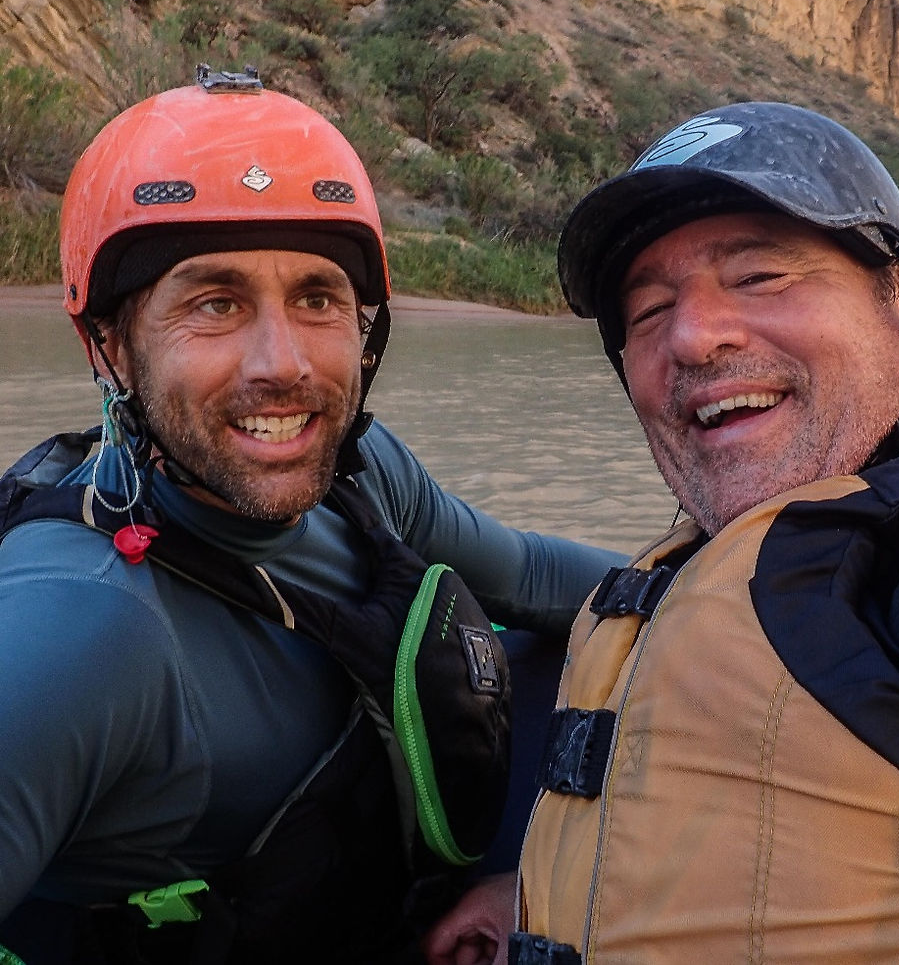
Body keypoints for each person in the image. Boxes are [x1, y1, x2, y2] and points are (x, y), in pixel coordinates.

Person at [0, 66, 622, 965]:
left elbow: (528, 576)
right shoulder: (77, 626)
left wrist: (733, 606)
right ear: (108, 346)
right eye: (214, 303)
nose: (282, 364)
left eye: (318, 298)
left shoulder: (360, 476)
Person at [428, 102, 899, 964]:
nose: (691, 336)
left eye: (760, 277)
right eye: (648, 313)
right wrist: (544, 901)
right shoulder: (700, 563)